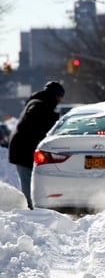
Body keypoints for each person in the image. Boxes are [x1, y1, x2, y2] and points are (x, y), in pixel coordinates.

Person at [8, 81, 65, 209]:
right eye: (60, 95)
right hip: (24, 150)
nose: (60, 100)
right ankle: (30, 209)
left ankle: (31, 207)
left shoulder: (39, 103)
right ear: (55, 95)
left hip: (24, 148)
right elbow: (34, 126)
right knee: (29, 182)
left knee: (32, 181)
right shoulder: (39, 105)